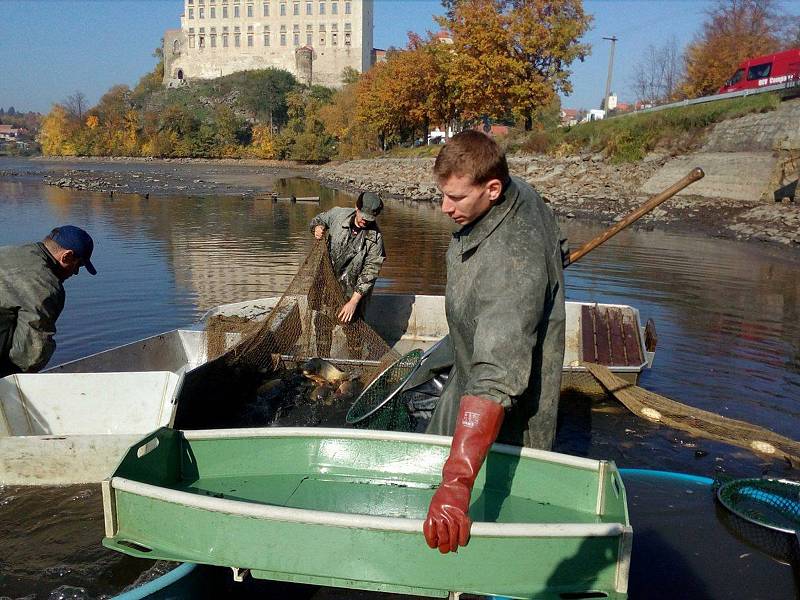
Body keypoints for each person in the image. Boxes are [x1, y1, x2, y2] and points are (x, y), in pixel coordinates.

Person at [423, 130, 566, 554]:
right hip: (467, 362)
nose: (445, 208)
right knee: (434, 449)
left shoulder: (511, 263)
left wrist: (456, 483)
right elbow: (558, 240)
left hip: (506, 394)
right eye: (442, 195)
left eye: (456, 199)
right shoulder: (513, 191)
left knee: (495, 496)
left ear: (492, 189)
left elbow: (496, 378)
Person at [0, 226, 97, 378]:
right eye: (78, 265)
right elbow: (29, 357)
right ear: (66, 256)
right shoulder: (46, 286)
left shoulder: (9, 251)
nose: (76, 272)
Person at [308, 192, 386, 354]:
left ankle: (354, 363)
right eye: (363, 215)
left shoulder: (376, 239)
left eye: (370, 218)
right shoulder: (337, 214)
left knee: (353, 333)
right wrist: (317, 228)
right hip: (326, 285)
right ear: (356, 207)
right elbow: (318, 219)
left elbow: (370, 273)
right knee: (322, 326)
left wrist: (353, 302)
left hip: (353, 291)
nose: (365, 220)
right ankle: (323, 363)